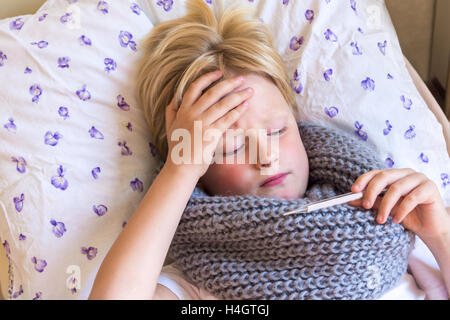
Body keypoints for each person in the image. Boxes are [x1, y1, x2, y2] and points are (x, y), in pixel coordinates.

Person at [88, 0, 450, 300]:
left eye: (278, 130)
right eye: (230, 148)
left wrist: (440, 233)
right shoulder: (198, 280)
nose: (266, 156)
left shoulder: (389, 221)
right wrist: (178, 171)